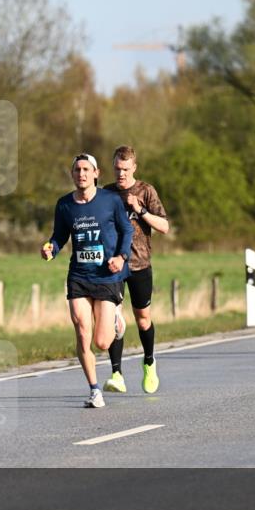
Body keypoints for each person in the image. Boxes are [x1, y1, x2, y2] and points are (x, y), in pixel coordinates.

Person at [42, 153, 133, 408]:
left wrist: (122, 257)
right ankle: (94, 390)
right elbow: (59, 236)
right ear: (72, 175)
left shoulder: (111, 200)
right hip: (79, 276)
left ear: (96, 173)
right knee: (82, 333)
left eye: (85, 169)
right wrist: (51, 249)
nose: (81, 174)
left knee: (102, 342)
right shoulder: (64, 205)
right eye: (77, 170)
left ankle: (116, 316)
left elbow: (127, 230)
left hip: (107, 275)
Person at [100, 145, 170, 394]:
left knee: (143, 319)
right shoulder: (105, 194)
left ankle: (149, 361)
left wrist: (140, 210)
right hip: (112, 266)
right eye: (117, 169)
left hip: (140, 264)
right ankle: (116, 374)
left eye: (126, 170)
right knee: (114, 320)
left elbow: (164, 226)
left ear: (134, 168)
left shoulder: (145, 190)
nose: (121, 174)